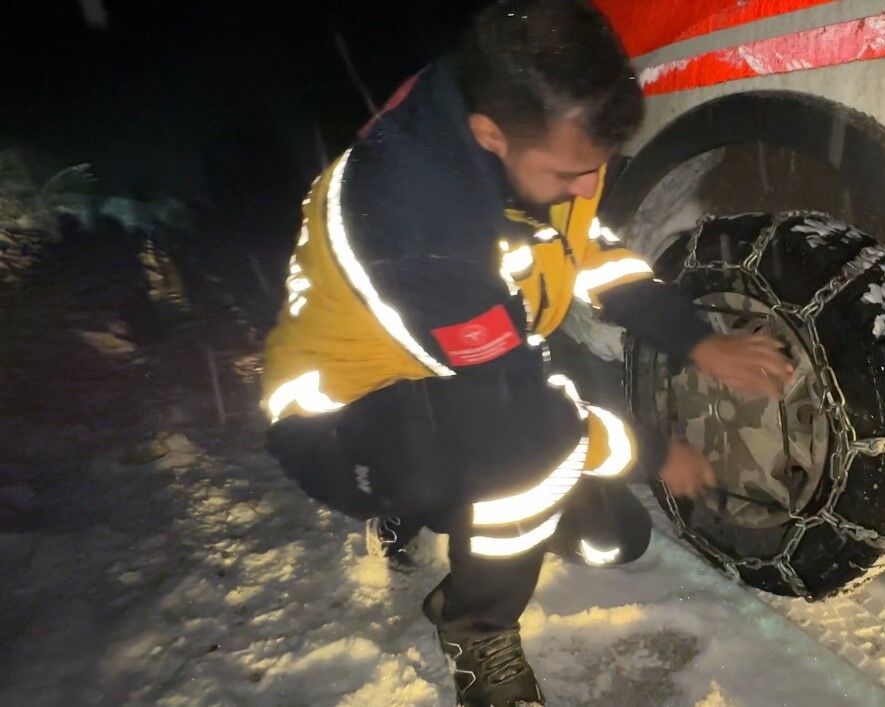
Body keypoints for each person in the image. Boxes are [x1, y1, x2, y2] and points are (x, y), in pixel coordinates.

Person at [260, 1, 792, 704]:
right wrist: (653, 452)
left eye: (597, 169)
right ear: (489, 136)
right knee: (531, 451)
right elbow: (519, 399)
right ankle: (470, 618)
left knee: (613, 537)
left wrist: (696, 338)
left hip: (465, 368)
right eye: (571, 173)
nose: (588, 187)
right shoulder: (414, 219)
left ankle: (458, 499)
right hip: (343, 410)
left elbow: (587, 253)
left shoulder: (534, 134)